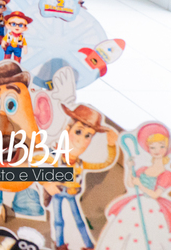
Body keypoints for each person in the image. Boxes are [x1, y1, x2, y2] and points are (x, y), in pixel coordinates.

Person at [42, 104, 117, 250]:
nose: (82, 140)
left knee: (79, 220)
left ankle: (88, 245)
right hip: (57, 193)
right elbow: (32, 164)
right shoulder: (54, 157)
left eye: (88, 136)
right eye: (78, 132)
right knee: (58, 221)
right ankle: (60, 244)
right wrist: (45, 183)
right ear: (67, 130)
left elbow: (105, 163)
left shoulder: (80, 163)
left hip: (72, 194)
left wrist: (111, 145)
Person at [98, 122, 171, 250]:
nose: (157, 150)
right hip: (136, 204)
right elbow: (131, 184)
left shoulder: (166, 174)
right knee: (125, 231)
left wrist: (140, 185)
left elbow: (155, 194)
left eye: (161, 146)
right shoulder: (143, 169)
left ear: (167, 148)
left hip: (153, 208)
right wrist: (130, 168)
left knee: (150, 236)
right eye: (153, 147)